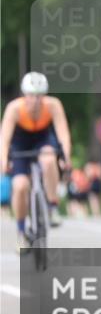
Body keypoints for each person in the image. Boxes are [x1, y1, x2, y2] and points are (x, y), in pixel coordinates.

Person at [0, 72, 72, 253]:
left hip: (43, 138)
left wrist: (66, 157)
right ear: (25, 95)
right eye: (32, 95)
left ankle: (52, 207)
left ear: (45, 95)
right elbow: (4, 138)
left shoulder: (53, 105)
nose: (36, 99)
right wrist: (3, 160)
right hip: (20, 142)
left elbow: (63, 133)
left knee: (49, 160)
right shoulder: (14, 109)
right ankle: (21, 232)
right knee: (20, 185)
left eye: (40, 95)